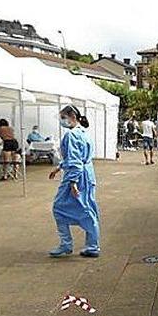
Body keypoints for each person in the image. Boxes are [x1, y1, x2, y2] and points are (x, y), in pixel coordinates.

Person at [48, 105, 101, 258]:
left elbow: (75, 160)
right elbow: (77, 157)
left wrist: (73, 182)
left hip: (77, 175)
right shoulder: (84, 132)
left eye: (63, 118)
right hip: (87, 174)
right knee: (88, 208)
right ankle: (92, 245)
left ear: (72, 117)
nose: (62, 121)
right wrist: (59, 167)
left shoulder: (71, 135)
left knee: (59, 208)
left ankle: (66, 244)